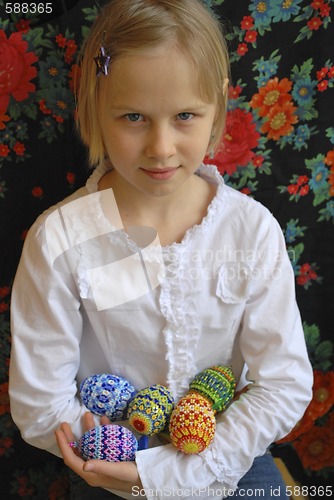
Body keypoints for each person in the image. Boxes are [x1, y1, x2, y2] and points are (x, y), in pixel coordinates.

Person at [9, 0, 313, 499]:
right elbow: (40, 401)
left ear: (217, 105)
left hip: (228, 457)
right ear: (94, 106)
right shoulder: (60, 239)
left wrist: (183, 474)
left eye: (185, 116)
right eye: (133, 117)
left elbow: (284, 383)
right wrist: (125, 461)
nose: (162, 147)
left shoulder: (251, 231)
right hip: (107, 470)